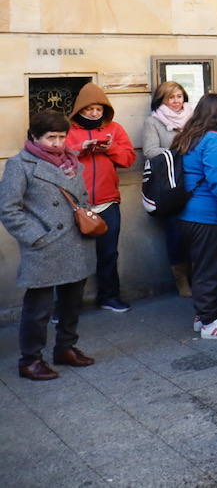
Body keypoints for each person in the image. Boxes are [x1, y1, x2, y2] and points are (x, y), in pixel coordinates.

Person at [1, 111, 97, 380]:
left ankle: (66, 347)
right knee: (38, 309)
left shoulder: (72, 161)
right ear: (34, 136)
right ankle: (30, 360)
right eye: (50, 137)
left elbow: (81, 196)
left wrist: (87, 215)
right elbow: (9, 208)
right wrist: (36, 236)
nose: (57, 143)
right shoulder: (19, 165)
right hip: (44, 246)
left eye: (61, 137)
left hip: (76, 241)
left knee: (72, 302)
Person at [172, 94, 217, 340]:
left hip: (187, 214)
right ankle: (209, 323)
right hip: (210, 214)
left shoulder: (188, 137)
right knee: (209, 268)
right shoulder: (216, 141)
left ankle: (204, 314)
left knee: (200, 265)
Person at [65, 83, 136, 312]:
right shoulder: (68, 130)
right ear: (80, 109)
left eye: (99, 109)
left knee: (108, 253)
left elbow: (128, 159)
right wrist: (80, 149)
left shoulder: (115, 129)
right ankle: (67, 306)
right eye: (90, 109)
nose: (94, 113)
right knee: (74, 258)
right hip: (76, 204)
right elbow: (57, 159)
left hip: (107, 202)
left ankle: (109, 296)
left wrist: (110, 148)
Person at [141, 80, 193, 297]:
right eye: (170, 97)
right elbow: (150, 151)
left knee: (197, 232)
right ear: (161, 100)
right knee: (176, 233)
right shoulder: (153, 122)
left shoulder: (194, 118)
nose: (176, 101)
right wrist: (179, 151)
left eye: (179, 96)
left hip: (194, 180)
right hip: (171, 184)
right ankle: (181, 279)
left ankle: (200, 276)